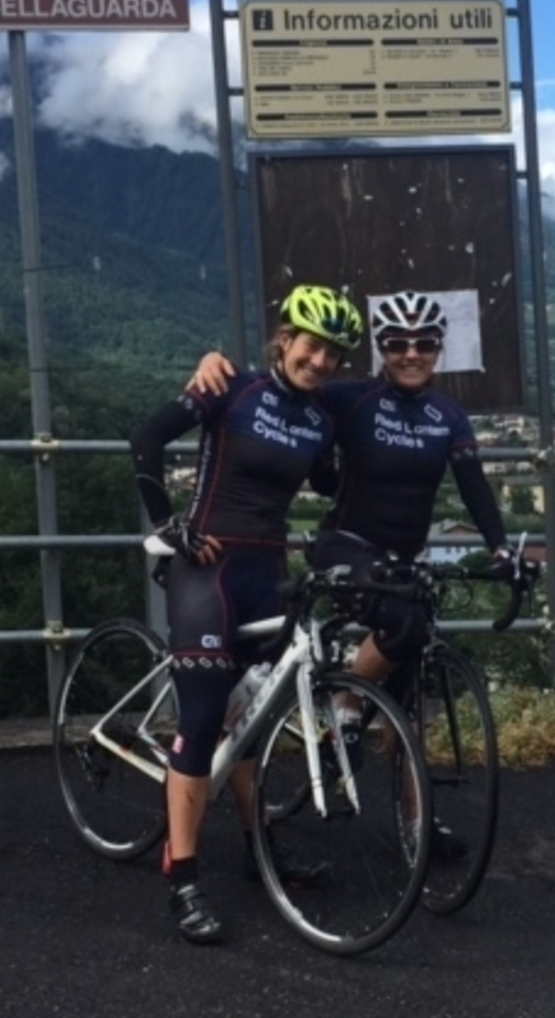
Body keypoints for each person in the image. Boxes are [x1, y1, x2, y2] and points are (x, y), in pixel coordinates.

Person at [189, 289, 521, 856]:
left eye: (424, 344)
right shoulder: (351, 398)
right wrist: (214, 362)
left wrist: (502, 551)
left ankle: (418, 825)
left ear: (439, 350)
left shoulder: (449, 416)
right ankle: (345, 708)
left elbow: (475, 488)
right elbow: (282, 386)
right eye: (397, 343)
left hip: (402, 562)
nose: (411, 353)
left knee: (409, 696)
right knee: (403, 624)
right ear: (381, 350)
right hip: (346, 547)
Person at [129, 284, 362, 945]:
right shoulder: (230, 388)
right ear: (285, 339)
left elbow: (332, 483)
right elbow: (147, 438)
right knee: (204, 720)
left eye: (334, 354)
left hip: (268, 574)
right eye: (311, 346)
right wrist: (167, 527)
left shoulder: (320, 418)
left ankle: (261, 849)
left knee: (253, 717)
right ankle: (183, 877)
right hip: (209, 567)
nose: (320, 361)